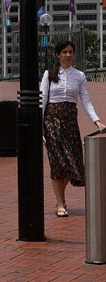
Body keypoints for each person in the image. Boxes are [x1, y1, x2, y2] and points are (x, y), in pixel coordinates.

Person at [41, 39, 105, 218]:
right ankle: (60, 203)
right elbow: (42, 100)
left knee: (73, 162)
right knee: (56, 161)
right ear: (57, 54)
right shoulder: (49, 74)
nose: (68, 55)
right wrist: (39, 126)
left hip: (70, 120)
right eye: (64, 52)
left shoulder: (80, 75)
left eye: (70, 52)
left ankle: (59, 197)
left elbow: (85, 101)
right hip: (52, 120)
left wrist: (97, 121)